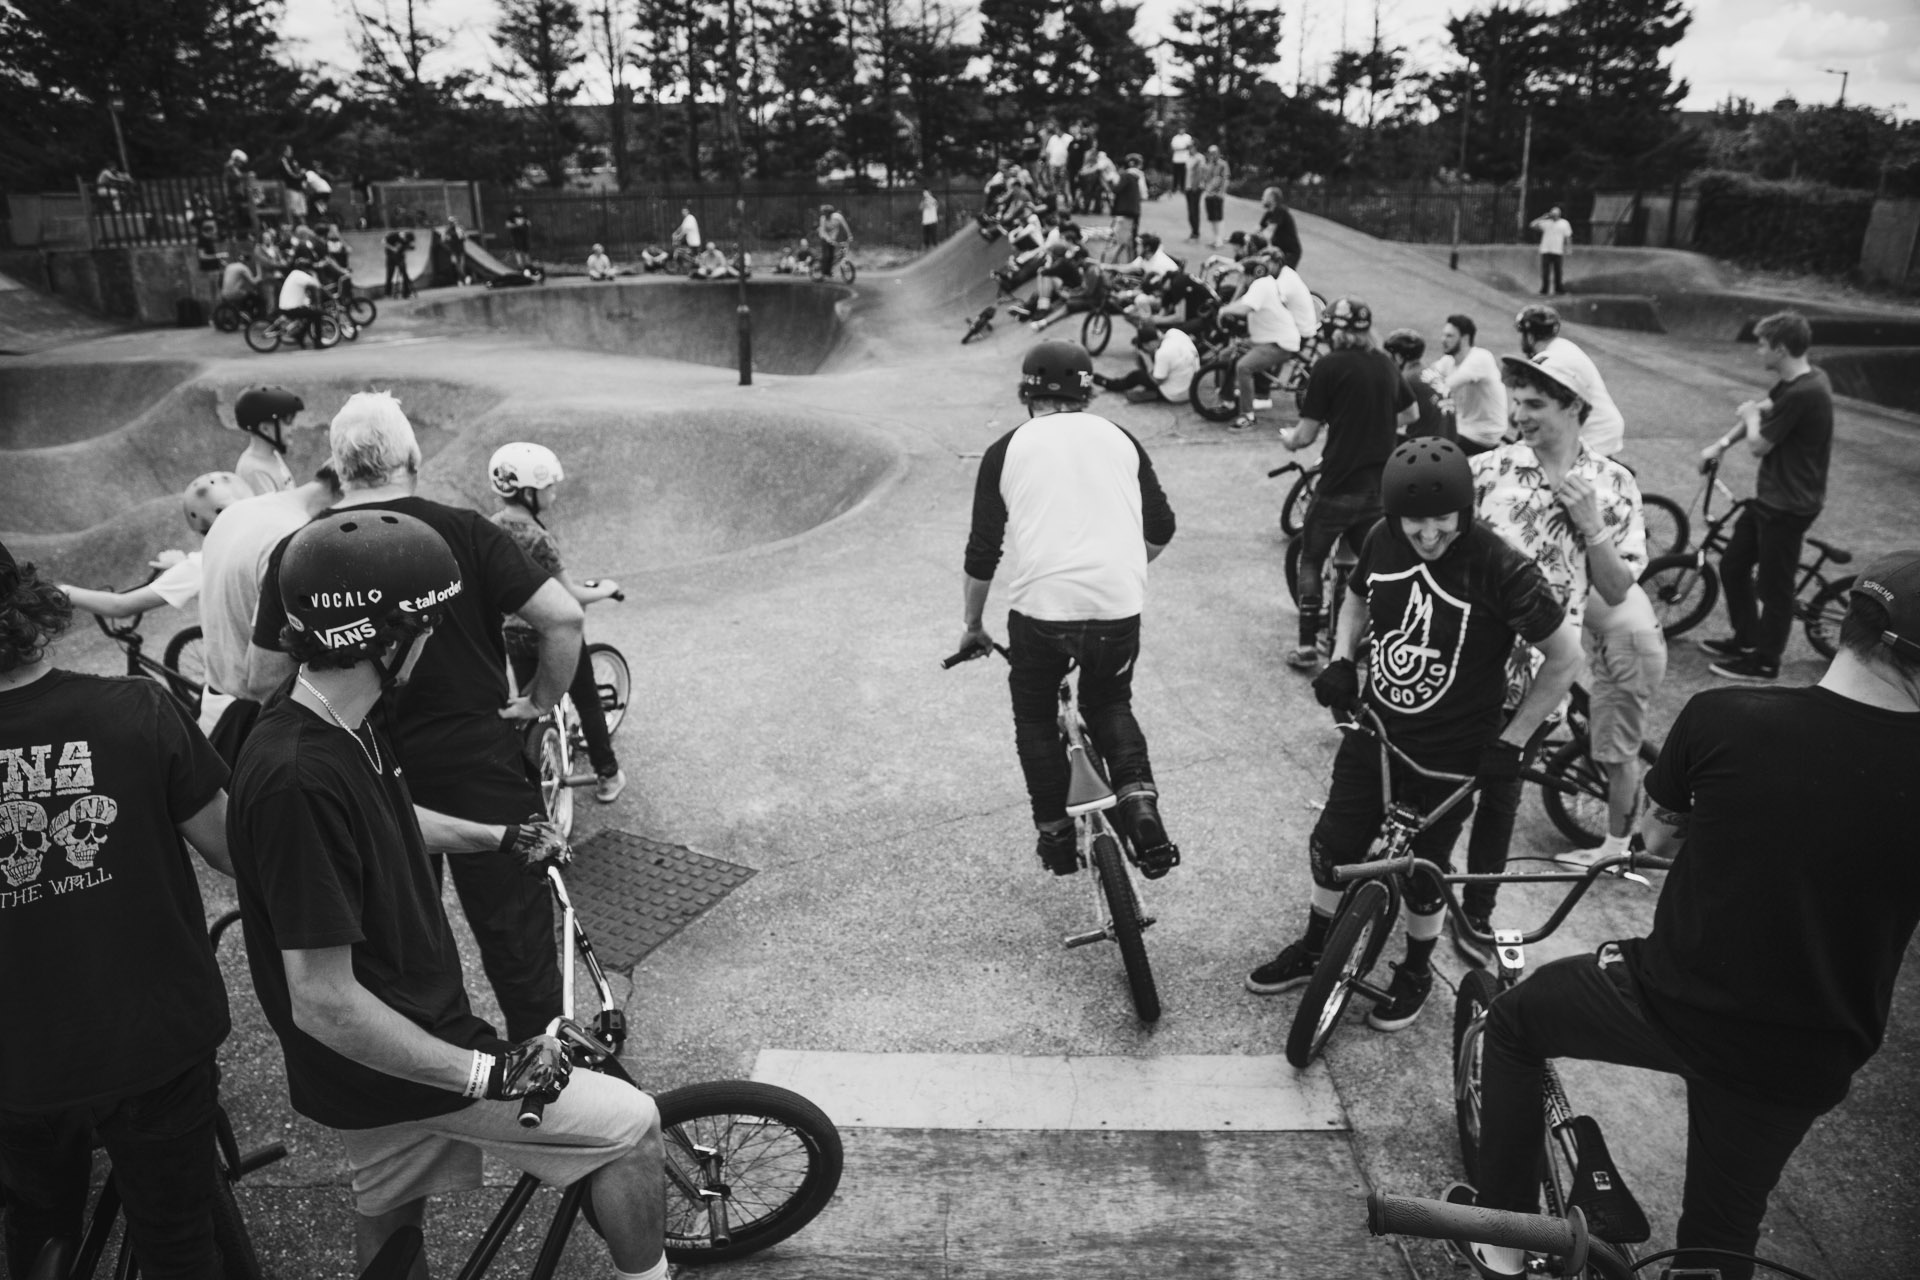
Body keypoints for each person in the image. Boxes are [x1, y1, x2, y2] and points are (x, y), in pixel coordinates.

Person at [1451, 551, 1920, 1280]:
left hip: (1671, 1005)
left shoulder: (1726, 716)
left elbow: (1658, 839)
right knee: (1721, 1235)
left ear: (1848, 625)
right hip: (1810, 1051)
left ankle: (1504, 1240)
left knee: (1513, 1023)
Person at [226, 511, 667, 1280]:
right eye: (429, 625)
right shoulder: (298, 779)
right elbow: (322, 1000)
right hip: (398, 1058)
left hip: (379, 1057)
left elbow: (390, 819)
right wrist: (483, 1074)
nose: (432, 641)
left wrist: (500, 835)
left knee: (393, 1207)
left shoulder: (343, 725)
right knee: (633, 1125)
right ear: (389, 638)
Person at [246, 393, 587, 1041]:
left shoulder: (303, 550)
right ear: (414, 456)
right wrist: (537, 703)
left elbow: (262, 678)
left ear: (337, 466)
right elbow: (564, 618)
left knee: (399, 949)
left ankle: (436, 1062)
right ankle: (546, 1055)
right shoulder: (465, 530)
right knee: (516, 938)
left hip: (364, 766)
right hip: (476, 760)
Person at [1245, 439, 1581, 1031]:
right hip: (1378, 729)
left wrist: (1512, 740)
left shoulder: (1500, 566)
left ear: (1465, 510)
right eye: (1414, 522)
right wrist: (1343, 658)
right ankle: (1315, 946)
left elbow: (1565, 657)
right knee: (1333, 844)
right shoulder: (1382, 537)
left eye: (1442, 520)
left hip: (1456, 751)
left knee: (1426, 868)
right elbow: (1356, 596)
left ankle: (1416, 970)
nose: (1428, 535)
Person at [0, 537, 236, 1280]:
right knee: (177, 1239)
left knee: (38, 1231)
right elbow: (233, 851)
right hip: (154, 1038)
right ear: (27, 609)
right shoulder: (136, 708)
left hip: (18, 1061)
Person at [957, 342, 1181, 879]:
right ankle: (1139, 804)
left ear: (1027, 393)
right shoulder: (1120, 437)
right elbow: (1162, 528)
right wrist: (1126, 567)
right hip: (1116, 606)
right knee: (1110, 703)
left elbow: (983, 553)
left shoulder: (1005, 449)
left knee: (1035, 716)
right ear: (1086, 391)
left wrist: (973, 626)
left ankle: (1056, 837)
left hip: (1041, 613)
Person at [1454, 349, 1648, 964]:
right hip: (1463, 664)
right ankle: (1420, 897)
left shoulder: (1615, 486)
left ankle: (1477, 912)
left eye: (1535, 403)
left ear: (1574, 407)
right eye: (1517, 401)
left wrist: (1592, 525)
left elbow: (1615, 590)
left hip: (1542, 677)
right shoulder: (1485, 471)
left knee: (1501, 797)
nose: (1520, 415)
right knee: (1441, 789)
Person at [1277, 298, 1419, 668]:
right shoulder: (1385, 364)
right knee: (1364, 568)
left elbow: (1305, 435)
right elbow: (1411, 413)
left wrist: (1289, 440)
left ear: (1332, 330)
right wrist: (1376, 422)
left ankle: (1306, 646)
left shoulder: (1328, 366)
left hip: (1338, 483)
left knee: (1311, 559)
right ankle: (1351, 645)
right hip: (1377, 487)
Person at [1695, 310, 1835, 684]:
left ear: (1781, 348)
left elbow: (1759, 444)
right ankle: (1747, 639)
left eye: (1762, 345)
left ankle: (1766, 662)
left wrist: (1750, 416)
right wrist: (1720, 444)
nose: (1758, 351)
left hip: (1790, 505)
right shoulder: (1797, 382)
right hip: (1771, 499)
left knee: (1774, 588)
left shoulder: (1806, 392)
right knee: (1733, 565)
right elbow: (1760, 410)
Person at [487, 444, 627, 803]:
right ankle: (608, 775)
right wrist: (607, 589)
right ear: (528, 492)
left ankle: (527, 777)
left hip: (514, 634)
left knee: (531, 705)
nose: (555, 492)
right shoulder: (540, 539)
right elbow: (569, 595)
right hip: (551, 633)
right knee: (588, 701)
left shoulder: (492, 528)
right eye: (549, 486)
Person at [197, 463, 341, 756]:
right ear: (344, 491)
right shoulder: (293, 538)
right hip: (253, 721)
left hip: (214, 702)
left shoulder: (237, 512)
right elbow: (265, 676)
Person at [54, 471, 247, 626]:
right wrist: (182, 564)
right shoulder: (258, 542)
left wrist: (65, 591)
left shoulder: (200, 566)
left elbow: (120, 606)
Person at [1215, 254, 1318, 432]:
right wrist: (1230, 304)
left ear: (1250, 275)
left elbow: (1245, 308)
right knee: (1225, 355)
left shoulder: (1261, 286)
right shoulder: (1263, 283)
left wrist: (1224, 310)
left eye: (1242, 276)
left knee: (1244, 367)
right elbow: (1241, 302)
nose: (1240, 279)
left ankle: (1248, 416)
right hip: (1265, 338)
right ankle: (1228, 401)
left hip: (1280, 342)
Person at [1515, 305, 1625, 457]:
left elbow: (1534, 400)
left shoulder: (1548, 359)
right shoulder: (1563, 346)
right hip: (1601, 426)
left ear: (1529, 336)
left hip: (1594, 432)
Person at [1430, 314, 1507, 455]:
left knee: (1430, 446)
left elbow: (1444, 387)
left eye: (1449, 336)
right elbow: (1427, 378)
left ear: (1465, 338)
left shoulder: (1480, 358)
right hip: (1463, 429)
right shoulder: (1449, 360)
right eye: (1443, 335)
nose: (1443, 340)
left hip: (1483, 435)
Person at [1093, 320, 1199, 405]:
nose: (1147, 351)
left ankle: (1108, 384)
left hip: (1176, 395)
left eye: (1145, 349)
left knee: (1136, 376)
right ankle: (1152, 394)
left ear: (1147, 344)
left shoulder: (1162, 353)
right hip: (1193, 388)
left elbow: (1157, 381)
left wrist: (1147, 361)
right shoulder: (1175, 333)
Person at [229, 383, 301, 496]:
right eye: (288, 421)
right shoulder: (254, 471)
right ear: (265, 429)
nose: (294, 426)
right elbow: (273, 507)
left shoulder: (271, 456)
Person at [1383, 330, 1449, 440]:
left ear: (1399, 357)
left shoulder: (1407, 379)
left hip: (1424, 445)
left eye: (1389, 356)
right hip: (1447, 443)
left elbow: (1389, 420)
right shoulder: (1431, 372)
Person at [276, 247, 323, 347]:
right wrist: (314, 274)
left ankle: (300, 336)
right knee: (317, 314)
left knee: (309, 315)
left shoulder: (294, 274)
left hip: (286, 306)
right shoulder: (300, 275)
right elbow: (317, 285)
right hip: (291, 308)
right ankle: (318, 342)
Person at [1109, 154, 1147, 260]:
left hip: (1125, 211)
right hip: (1135, 210)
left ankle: (1121, 260)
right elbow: (1144, 194)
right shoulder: (1138, 176)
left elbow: (1116, 189)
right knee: (1132, 237)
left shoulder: (1127, 176)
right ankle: (1132, 258)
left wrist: (1111, 183)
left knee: (1121, 239)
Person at [1530, 204, 1573, 295]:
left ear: (1559, 214)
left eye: (1556, 213)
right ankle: (1544, 289)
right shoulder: (1546, 223)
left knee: (1558, 271)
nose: (1554, 215)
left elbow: (1568, 236)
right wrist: (1542, 217)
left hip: (1557, 250)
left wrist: (1569, 248)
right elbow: (1532, 225)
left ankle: (1559, 289)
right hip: (1546, 250)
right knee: (1545, 271)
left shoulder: (1564, 223)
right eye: (1553, 213)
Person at [1257, 187, 1303, 267]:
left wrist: (1260, 240)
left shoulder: (1280, 211)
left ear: (1271, 198)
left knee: (1279, 272)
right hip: (1278, 251)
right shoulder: (1268, 214)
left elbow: (1268, 234)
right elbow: (1257, 231)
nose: (1262, 198)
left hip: (1289, 253)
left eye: (1264, 196)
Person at [1195, 145, 1231, 247]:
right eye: (1210, 153)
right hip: (1209, 194)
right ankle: (1215, 239)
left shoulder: (1223, 164)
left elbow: (1226, 179)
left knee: (1218, 217)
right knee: (1212, 218)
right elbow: (1205, 179)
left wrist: (1222, 192)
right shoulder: (1208, 165)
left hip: (1218, 195)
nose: (1212, 155)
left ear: (1218, 153)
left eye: (1214, 153)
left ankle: (1219, 240)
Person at [223, 148, 253, 236]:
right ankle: (239, 234)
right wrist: (246, 176)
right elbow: (233, 178)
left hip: (238, 195)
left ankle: (244, 233)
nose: (241, 165)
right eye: (240, 162)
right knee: (237, 215)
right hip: (233, 196)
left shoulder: (234, 168)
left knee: (243, 214)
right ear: (236, 160)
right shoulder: (229, 168)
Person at [817, 204, 852, 278]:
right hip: (824, 237)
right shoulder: (823, 219)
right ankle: (823, 272)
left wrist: (849, 235)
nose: (826, 216)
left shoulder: (838, 217)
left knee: (832, 256)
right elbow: (823, 231)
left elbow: (845, 226)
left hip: (833, 237)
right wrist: (829, 240)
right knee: (827, 255)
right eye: (825, 214)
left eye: (827, 214)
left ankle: (829, 271)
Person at [382, 228, 415, 299]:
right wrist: (392, 248)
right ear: (404, 236)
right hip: (391, 257)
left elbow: (410, 246)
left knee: (405, 275)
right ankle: (387, 293)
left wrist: (407, 249)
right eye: (405, 239)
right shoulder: (394, 235)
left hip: (400, 258)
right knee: (390, 275)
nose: (405, 241)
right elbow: (383, 241)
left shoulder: (407, 239)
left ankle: (406, 293)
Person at [444, 217, 470, 286]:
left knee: (461, 265)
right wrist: (448, 239)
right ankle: (464, 278)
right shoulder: (448, 230)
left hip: (461, 250)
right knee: (457, 266)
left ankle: (462, 279)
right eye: (451, 222)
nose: (453, 223)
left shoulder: (460, 229)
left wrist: (463, 235)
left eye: (454, 222)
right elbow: (445, 239)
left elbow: (465, 237)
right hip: (453, 251)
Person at [1169, 128, 1193, 196]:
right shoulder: (1175, 137)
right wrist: (1182, 148)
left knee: (1183, 174)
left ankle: (1183, 188)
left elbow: (1188, 146)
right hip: (1176, 159)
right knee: (1176, 175)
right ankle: (1174, 188)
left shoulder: (1188, 137)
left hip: (1185, 159)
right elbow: (1173, 147)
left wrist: (1179, 148)